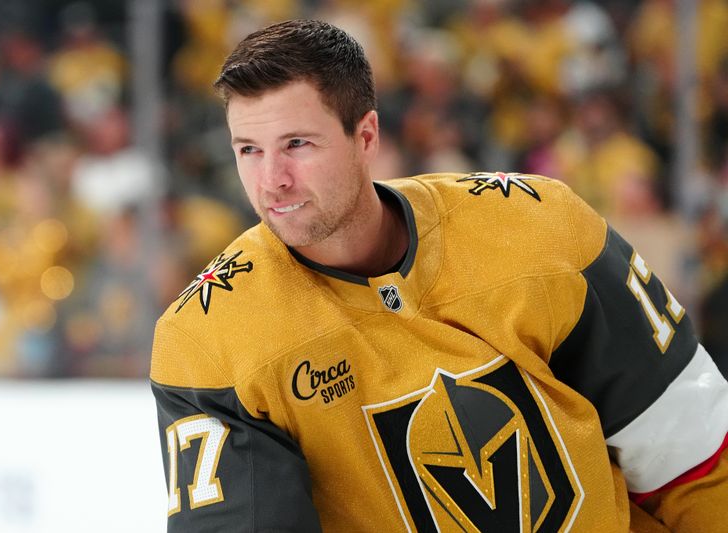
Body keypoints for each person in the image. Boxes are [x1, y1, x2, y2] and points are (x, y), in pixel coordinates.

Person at [150, 19, 728, 532]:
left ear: (366, 136)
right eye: (248, 150)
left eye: (296, 144)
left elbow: (694, 456)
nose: (271, 180)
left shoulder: (536, 227)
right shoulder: (210, 339)